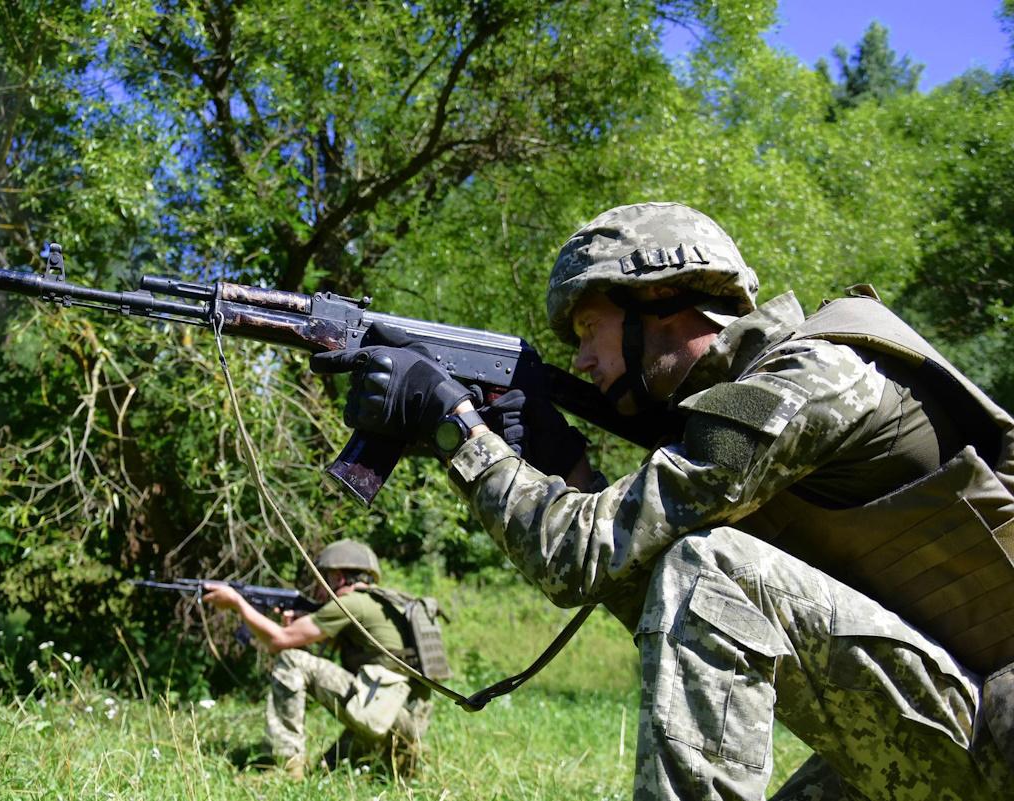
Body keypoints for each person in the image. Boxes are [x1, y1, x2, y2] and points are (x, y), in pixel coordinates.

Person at [309, 202, 1014, 800]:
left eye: (589, 327)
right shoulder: (751, 408)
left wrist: (454, 425)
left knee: (710, 568)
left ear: (663, 302)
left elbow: (580, 554)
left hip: (995, 723)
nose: (582, 360)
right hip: (966, 711)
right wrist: (560, 464)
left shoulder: (811, 376)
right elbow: (630, 566)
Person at [203, 539, 435, 779]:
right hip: (404, 721)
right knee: (326, 772)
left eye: (324, 578)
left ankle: (284, 765)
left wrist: (237, 604)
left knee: (292, 659)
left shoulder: (351, 604)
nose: (320, 587)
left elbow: (279, 641)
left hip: (385, 715)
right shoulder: (381, 604)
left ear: (337, 576)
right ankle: (402, 758)